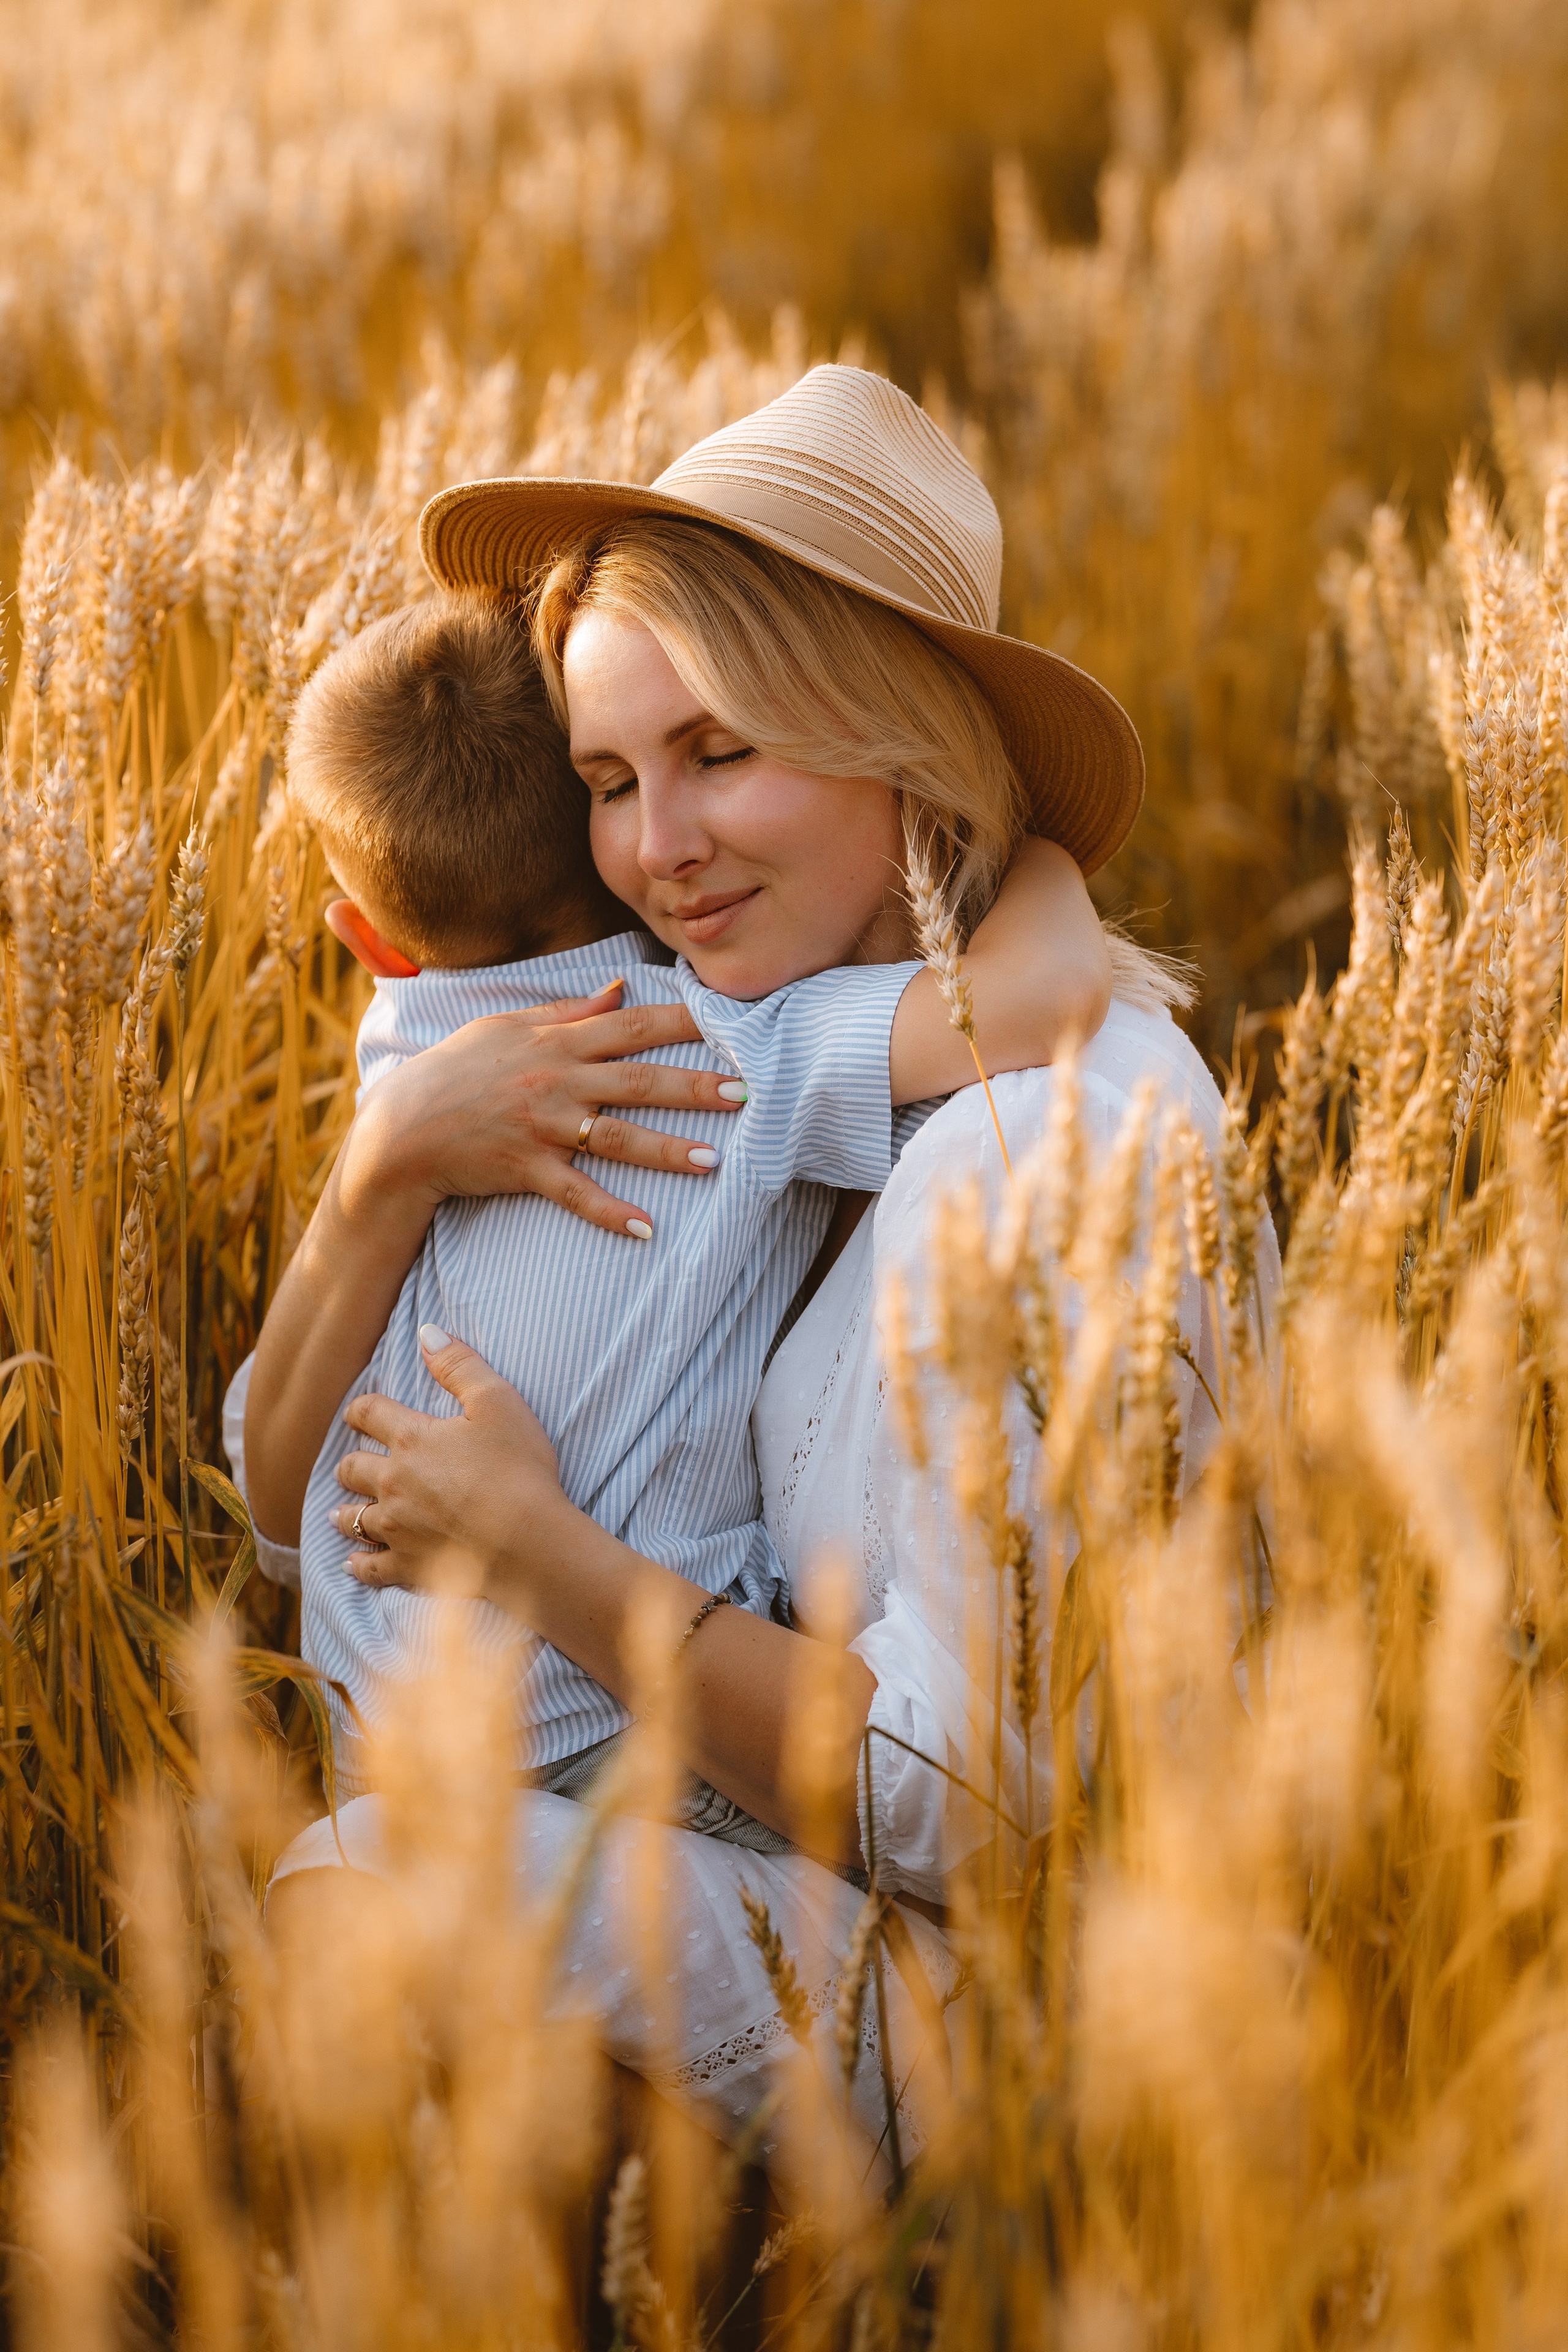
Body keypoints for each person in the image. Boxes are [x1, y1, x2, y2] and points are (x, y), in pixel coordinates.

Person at [243, 364, 1276, 2181]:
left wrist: (541, 1557)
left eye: (722, 753)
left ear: (894, 731)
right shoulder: (768, 1050)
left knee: (372, 1896)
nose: (654, 853)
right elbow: (265, 1474)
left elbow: (962, 1809)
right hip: (825, 1888)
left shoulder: (1035, 1153)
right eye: (609, 782)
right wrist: (393, 1160)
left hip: (1059, 2015)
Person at [239, 587, 1109, 1815]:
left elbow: (273, 1508)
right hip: (604, 1733)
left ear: (366, 940)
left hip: (370, 1735)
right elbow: (1047, 992)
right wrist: (1028, 833)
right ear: (604, 846)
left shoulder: (405, 1061)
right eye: (614, 778)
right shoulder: (729, 1044)